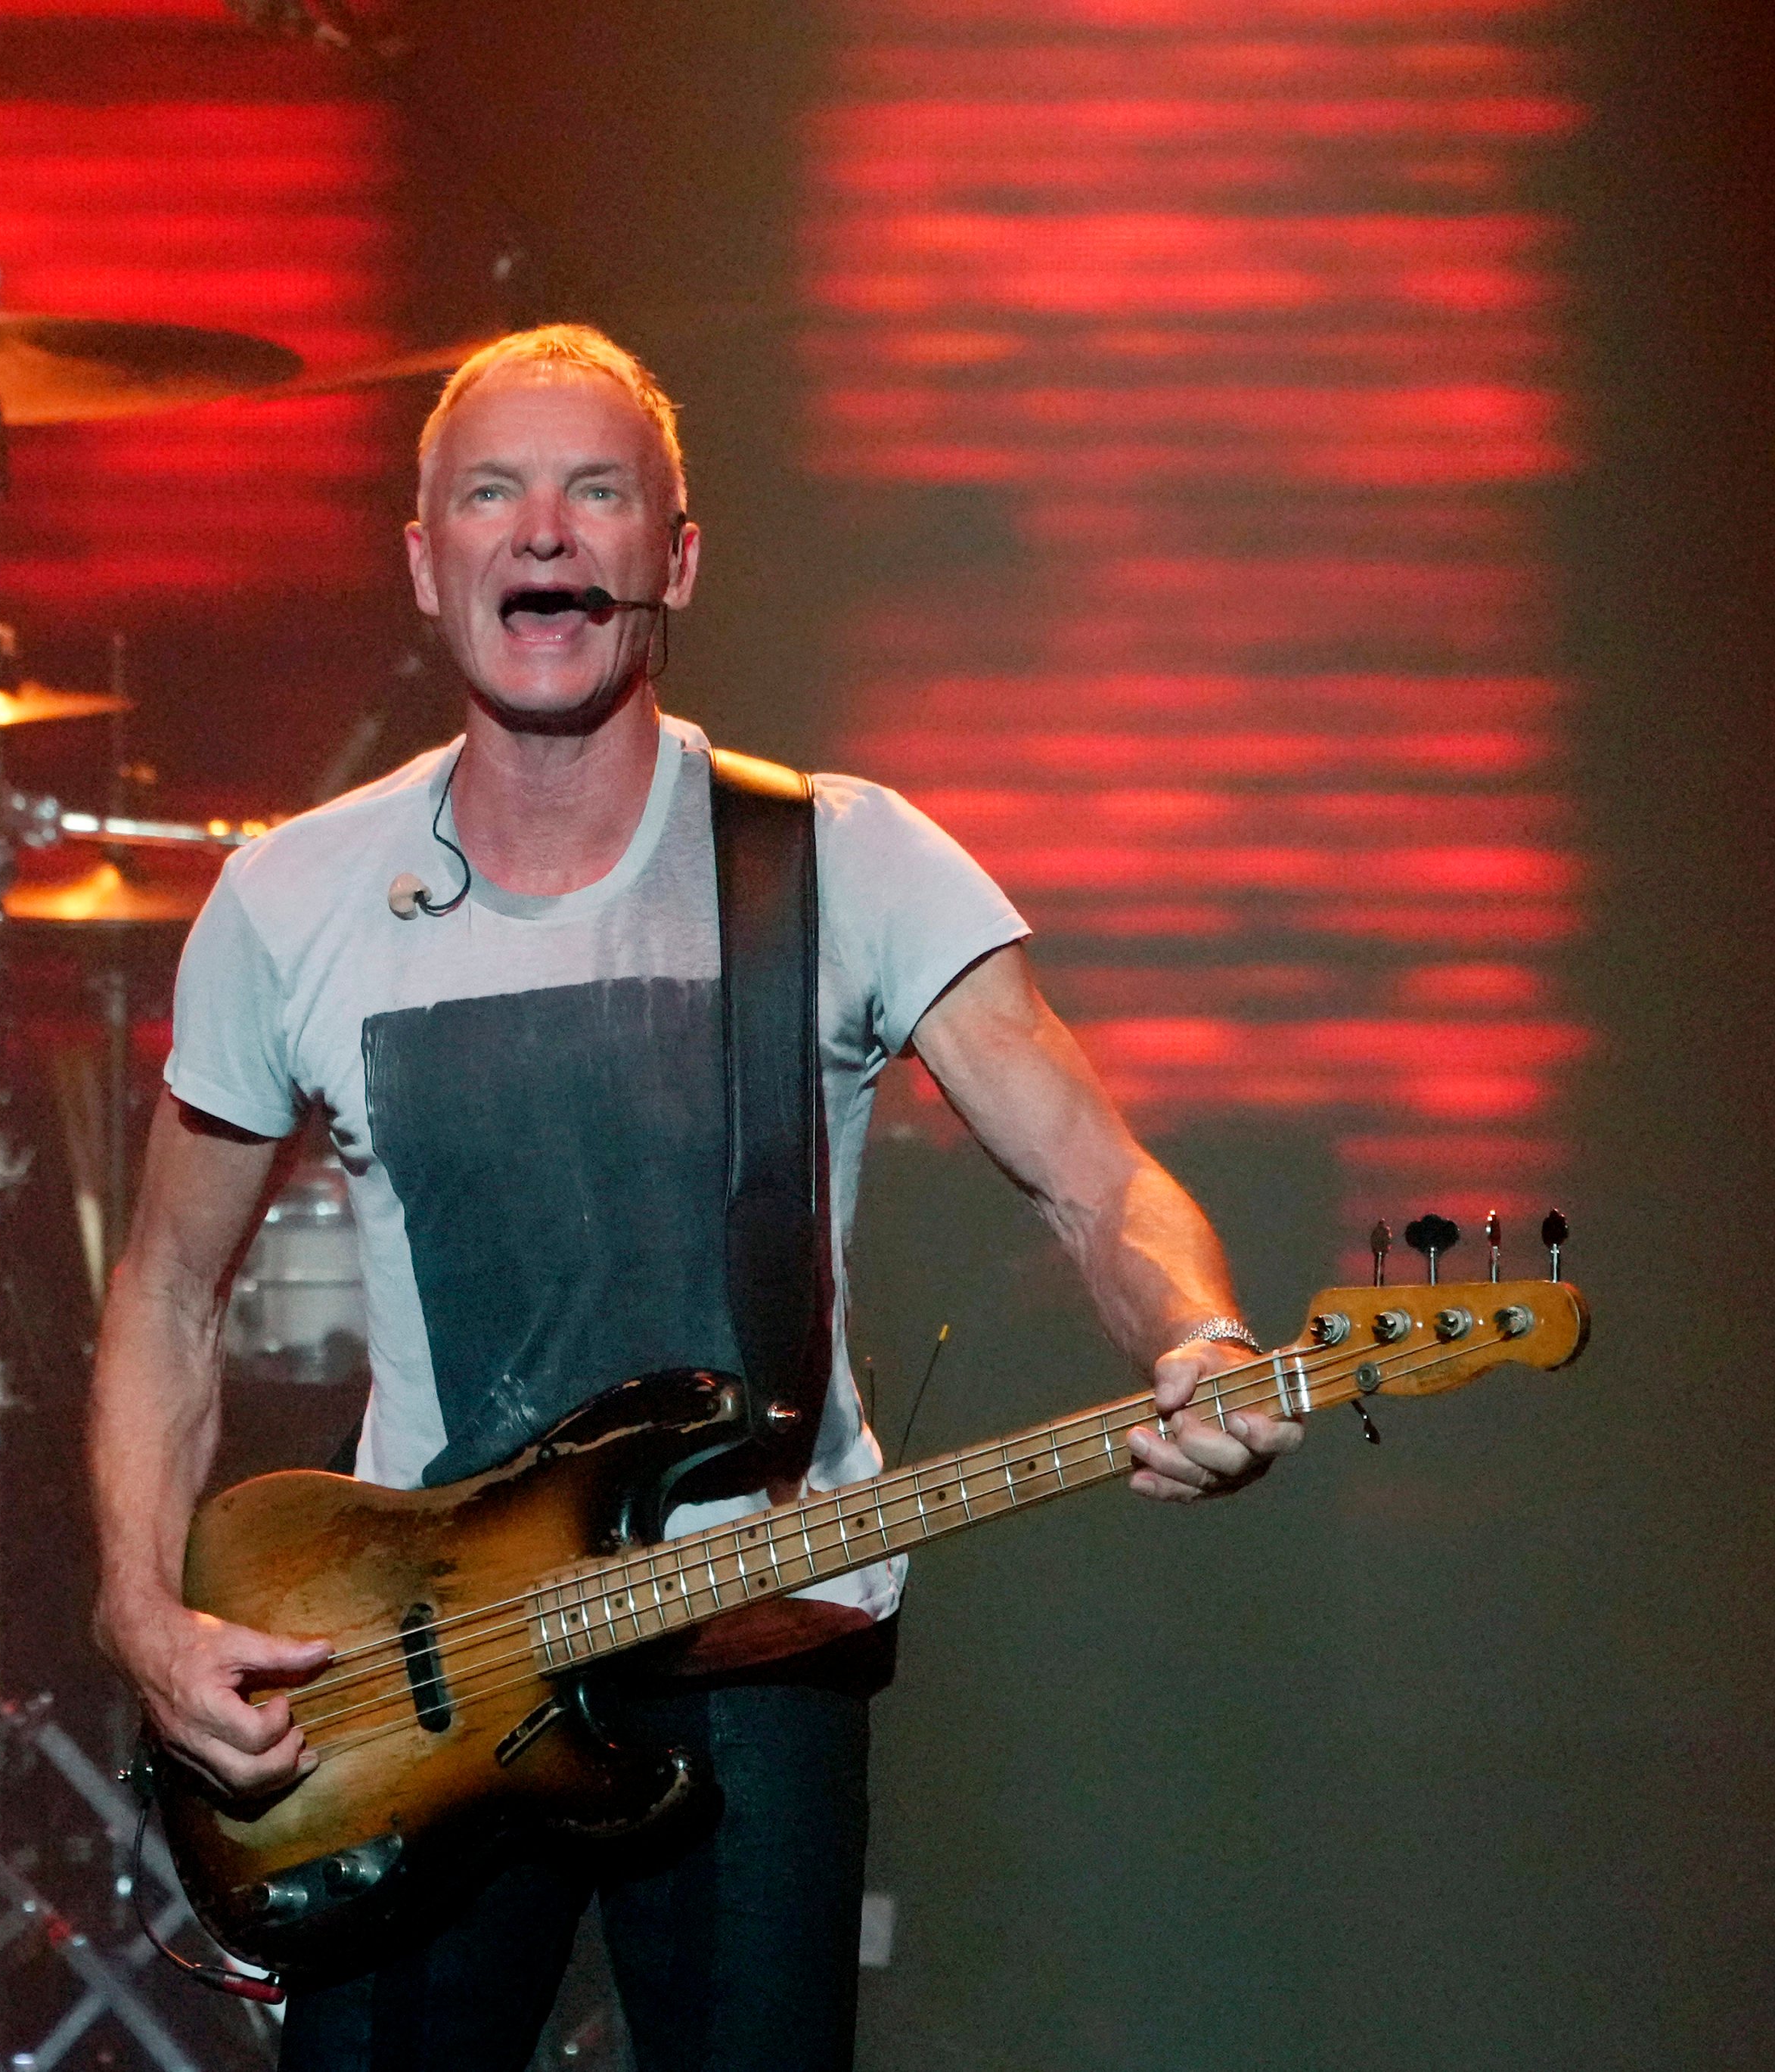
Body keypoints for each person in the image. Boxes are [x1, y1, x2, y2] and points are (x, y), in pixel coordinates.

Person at [87, 325, 1305, 2071]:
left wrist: (1194, 1334)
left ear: (673, 556)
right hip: (421, 1669)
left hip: (761, 1640)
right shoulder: (289, 898)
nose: (542, 532)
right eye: (490, 493)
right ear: (423, 563)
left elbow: (1096, 1177)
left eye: (595, 490)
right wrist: (141, 1610)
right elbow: (160, 1289)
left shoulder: (842, 858)